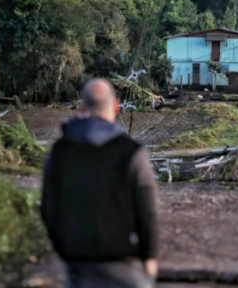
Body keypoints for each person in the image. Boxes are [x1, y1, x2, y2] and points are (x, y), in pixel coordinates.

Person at [41, 79, 159, 288]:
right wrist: (149, 256)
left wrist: (63, 245)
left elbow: (49, 206)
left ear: (82, 107)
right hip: (123, 261)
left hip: (77, 261)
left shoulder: (59, 151)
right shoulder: (132, 153)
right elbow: (147, 209)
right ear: (116, 106)